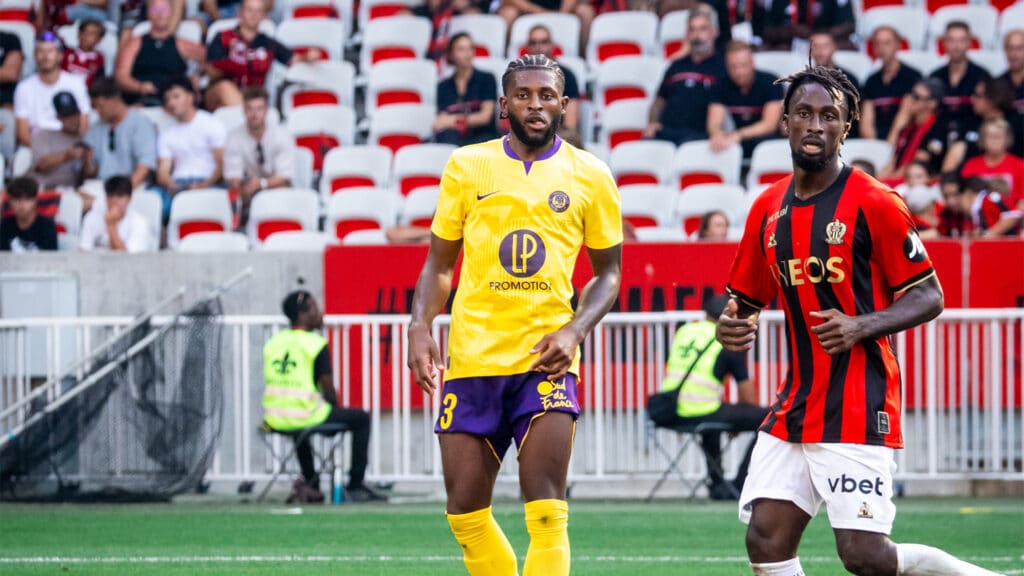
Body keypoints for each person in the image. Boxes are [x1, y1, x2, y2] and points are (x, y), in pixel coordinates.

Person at [717, 64, 1003, 576]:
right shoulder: (766, 207)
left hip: (858, 402)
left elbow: (930, 296)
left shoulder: (875, 201)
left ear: (846, 128)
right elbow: (743, 303)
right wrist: (732, 327)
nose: (815, 125)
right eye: (803, 113)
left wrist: (859, 325)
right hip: (795, 404)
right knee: (766, 539)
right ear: (785, 122)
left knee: (864, 556)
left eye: (830, 115)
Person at [407, 54, 623, 576]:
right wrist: (419, 325)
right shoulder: (466, 165)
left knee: (547, 513)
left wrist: (575, 330)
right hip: (473, 359)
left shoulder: (591, 174)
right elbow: (439, 264)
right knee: (465, 515)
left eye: (546, 95)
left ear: (564, 105)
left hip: (544, 362)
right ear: (503, 104)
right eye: (523, 95)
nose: (535, 104)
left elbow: (609, 274)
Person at [262, 290, 385, 503]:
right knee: (361, 418)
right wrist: (334, 408)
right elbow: (328, 389)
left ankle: (311, 483)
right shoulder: (315, 344)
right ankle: (355, 485)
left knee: (299, 431)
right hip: (303, 414)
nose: (321, 314)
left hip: (273, 418)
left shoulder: (273, 343)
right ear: (302, 314)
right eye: (315, 309)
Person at [652, 294, 769, 500]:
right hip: (700, 410)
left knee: (714, 414)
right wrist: (741, 422)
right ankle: (739, 484)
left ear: (705, 314)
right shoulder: (727, 338)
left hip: (671, 411)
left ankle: (717, 483)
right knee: (767, 419)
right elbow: (747, 392)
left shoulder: (685, 331)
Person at [205, 0, 322, 110]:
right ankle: (248, 116)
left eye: (258, 11)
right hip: (219, 95)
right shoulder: (223, 37)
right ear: (239, 12)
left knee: (256, 102)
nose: (254, 15)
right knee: (225, 87)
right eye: (249, 10)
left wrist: (307, 56)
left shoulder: (268, 43)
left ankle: (250, 116)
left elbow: (292, 58)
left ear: (263, 16)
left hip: (253, 96)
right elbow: (211, 71)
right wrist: (242, 65)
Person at [645, 5, 726, 146]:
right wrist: (653, 123)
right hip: (666, 134)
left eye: (703, 29)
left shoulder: (723, 66)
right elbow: (659, 101)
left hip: (700, 138)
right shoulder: (676, 65)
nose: (697, 36)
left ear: (715, 32)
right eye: (692, 30)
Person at [155, 77, 226, 218]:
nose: (171, 103)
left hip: (208, 182)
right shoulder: (167, 132)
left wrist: (202, 186)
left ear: (190, 97)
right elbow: (163, 171)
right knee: (155, 202)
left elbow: (221, 166)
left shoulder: (211, 124)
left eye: (176, 96)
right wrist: (171, 185)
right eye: (168, 99)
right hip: (178, 184)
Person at [225, 86, 294, 226]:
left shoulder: (281, 136)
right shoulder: (234, 137)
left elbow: (285, 176)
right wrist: (242, 186)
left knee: (282, 188)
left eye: (259, 108)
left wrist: (262, 184)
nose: (254, 114)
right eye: (250, 109)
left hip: (276, 187)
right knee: (231, 195)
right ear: (243, 111)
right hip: (248, 189)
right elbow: (233, 177)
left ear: (266, 110)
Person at [114, 0, 204, 107]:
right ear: (148, 13)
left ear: (171, 13)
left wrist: (198, 75)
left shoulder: (182, 45)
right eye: (155, 10)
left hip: (174, 101)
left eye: (164, 10)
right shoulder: (134, 44)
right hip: (141, 99)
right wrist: (139, 87)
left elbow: (210, 60)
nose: (160, 14)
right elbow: (121, 76)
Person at [707, 41, 783, 159]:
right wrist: (717, 135)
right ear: (727, 66)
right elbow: (714, 123)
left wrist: (738, 135)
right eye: (733, 67)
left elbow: (769, 125)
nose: (739, 72)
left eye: (743, 65)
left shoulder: (771, 82)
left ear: (752, 63)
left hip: (766, 140)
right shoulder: (720, 84)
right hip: (735, 141)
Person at [13, 32, 90, 148]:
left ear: (60, 55)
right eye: (41, 51)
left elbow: (84, 124)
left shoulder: (76, 83)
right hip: (35, 145)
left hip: (70, 143)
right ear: (34, 55)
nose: (45, 56)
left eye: (50, 51)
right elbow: (23, 135)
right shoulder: (24, 87)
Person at [81, 77, 158, 189]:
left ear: (115, 99)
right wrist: (87, 160)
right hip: (101, 185)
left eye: (101, 106)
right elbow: (89, 173)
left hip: (134, 186)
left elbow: (145, 165)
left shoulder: (140, 123)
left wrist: (125, 192)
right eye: (94, 107)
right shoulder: (94, 128)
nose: (97, 111)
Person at [929, 21, 990, 143]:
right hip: (938, 136)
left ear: (969, 43)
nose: (956, 46)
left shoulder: (983, 77)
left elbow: (988, 113)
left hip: (974, 137)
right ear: (944, 43)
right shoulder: (934, 77)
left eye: (961, 40)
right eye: (951, 40)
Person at [433, 33, 498, 147]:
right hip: (454, 138)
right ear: (451, 54)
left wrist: (454, 120)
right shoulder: (443, 86)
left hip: (482, 136)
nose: (467, 54)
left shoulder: (487, 78)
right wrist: (469, 120)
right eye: (461, 49)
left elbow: (485, 117)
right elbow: (441, 121)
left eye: (470, 48)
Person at [860, 26, 921, 142]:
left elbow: (905, 115)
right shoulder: (870, 81)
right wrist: (874, 145)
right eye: (878, 44)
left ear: (898, 45)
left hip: (904, 140)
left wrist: (890, 145)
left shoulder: (913, 77)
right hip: (876, 142)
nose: (882, 48)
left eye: (887, 43)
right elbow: (866, 122)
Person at [525, 24, 581, 146]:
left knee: (570, 138)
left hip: (558, 135)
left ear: (552, 45)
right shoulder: (519, 78)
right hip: (527, 135)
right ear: (527, 47)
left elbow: (570, 124)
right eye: (533, 43)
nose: (538, 48)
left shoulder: (567, 76)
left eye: (543, 42)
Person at [879, 79, 946, 180]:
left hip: (920, 182)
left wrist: (887, 182)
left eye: (916, 97)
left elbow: (915, 166)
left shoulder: (937, 129)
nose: (909, 100)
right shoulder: (909, 127)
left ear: (932, 103)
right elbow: (890, 156)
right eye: (910, 94)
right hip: (899, 180)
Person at [28, 91, 88, 190]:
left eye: (74, 115)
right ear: (58, 117)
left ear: (80, 114)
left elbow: (88, 174)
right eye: (66, 117)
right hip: (41, 188)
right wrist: (66, 156)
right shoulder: (43, 135)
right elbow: (41, 166)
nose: (71, 120)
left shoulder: (86, 138)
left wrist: (87, 159)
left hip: (71, 192)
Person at [959, 118, 1024, 208]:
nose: (994, 141)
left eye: (998, 136)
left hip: (1010, 218)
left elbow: (1022, 203)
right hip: (976, 219)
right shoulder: (971, 165)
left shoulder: (1019, 165)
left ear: (1007, 139)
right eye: (990, 136)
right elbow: (964, 200)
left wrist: (1005, 221)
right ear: (982, 139)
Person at [79, 175, 153, 252]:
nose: (114, 201)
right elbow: (84, 251)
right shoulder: (91, 218)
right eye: (110, 196)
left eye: (119, 196)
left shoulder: (139, 223)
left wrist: (111, 226)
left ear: (129, 200)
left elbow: (129, 259)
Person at [497, 0, 594, 57]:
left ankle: (583, 59)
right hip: (525, 8)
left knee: (586, 12)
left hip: (561, 8)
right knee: (507, 13)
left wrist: (562, 13)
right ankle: (504, 58)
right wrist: (537, 11)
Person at [758, 0, 855, 52]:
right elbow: (765, 31)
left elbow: (849, 25)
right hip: (790, 43)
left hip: (826, 39)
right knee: (764, 48)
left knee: (848, 46)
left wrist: (817, 35)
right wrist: (790, 30)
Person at [0, 177, 58, 252]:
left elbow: (52, 258)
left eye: (27, 199)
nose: (22, 205)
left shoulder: (47, 226)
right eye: (17, 199)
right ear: (10, 201)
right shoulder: (5, 225)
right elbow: (3, 257)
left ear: (35, 200)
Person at [61, 18, 106, 87]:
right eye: (84, 31)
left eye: (92, 34)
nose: (86, 36)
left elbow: (98, 85)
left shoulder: (99, 60)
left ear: (99, 40)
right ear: (79, 34)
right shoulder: (66, 53)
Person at [936, 172, 972, 238]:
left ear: (966, 193)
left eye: (955, 195)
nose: (950, 201)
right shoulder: (946, 215)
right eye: (946, 196)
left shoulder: (978, 215)